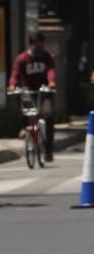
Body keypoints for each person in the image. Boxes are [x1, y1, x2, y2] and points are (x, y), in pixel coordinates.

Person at [7, 32, 58, 161]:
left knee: (48, 114)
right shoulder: (22, 59)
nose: (38, 47)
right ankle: (25, 127)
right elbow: (15, 73)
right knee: (24, 100)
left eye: (40, 44)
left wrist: (51, 82)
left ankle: (48, 149)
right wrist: (12, 85)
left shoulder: (47, 57)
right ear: (31, 45)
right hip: (29, 88)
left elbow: (51, 71)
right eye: (36, 44)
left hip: (44, 88)